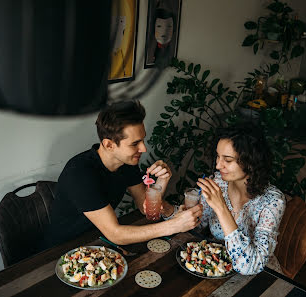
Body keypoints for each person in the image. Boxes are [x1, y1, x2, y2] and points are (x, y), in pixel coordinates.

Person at [41, 101, 202, 249]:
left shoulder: (126, 163)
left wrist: (162, 180)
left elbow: (145, 208)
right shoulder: (79, 173)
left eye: (142, 140)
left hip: (97, 240)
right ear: (109, 145)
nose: (143, 149)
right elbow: (115, 234)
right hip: (59, 250)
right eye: (134, 144)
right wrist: (175, 225)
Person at [194, 124, 286, 275]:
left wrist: (221, 208)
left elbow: (250, 266)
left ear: (251, 162)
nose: (217, 165)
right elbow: (195, 226)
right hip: (219, 268)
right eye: (217, 156)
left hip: (260, 277)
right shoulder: (218, 182)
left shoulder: (273, 202)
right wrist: (165, 206)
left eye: (228, 160)